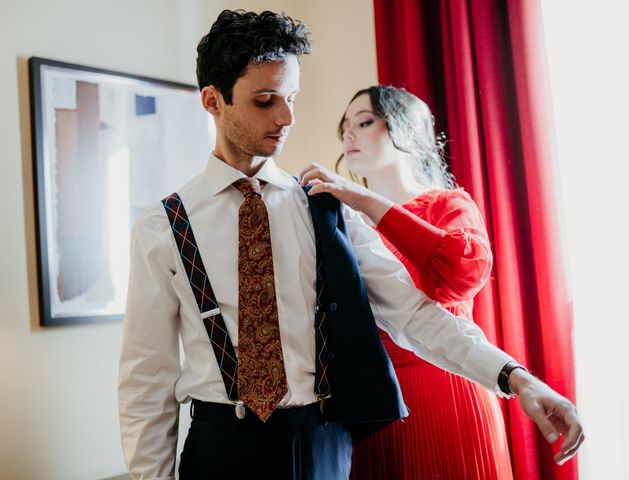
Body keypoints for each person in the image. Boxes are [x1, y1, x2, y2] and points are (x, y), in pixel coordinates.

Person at [118, 10, 583, 480]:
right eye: (265, 100)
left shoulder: (326, 207)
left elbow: (414, 315)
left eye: (292, 97)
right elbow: (146, 380)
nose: (287, 117)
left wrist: (516, 377)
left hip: (322, 447)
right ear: (213, 101)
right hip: (219, 450)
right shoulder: (162, 225)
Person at [300, 85, 512, 479]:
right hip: (374, 400)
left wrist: (366, 203)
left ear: (407, 129)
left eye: (364, 122)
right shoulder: (344, 222)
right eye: (344, 127)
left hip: (448, 390)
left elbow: (459, 273)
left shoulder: (448, 205)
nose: (348, 135)